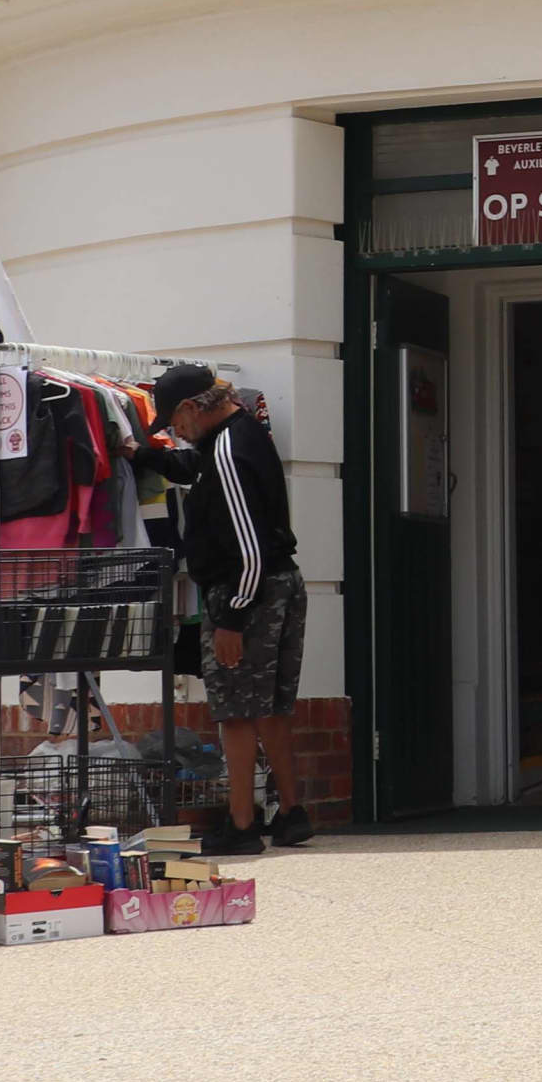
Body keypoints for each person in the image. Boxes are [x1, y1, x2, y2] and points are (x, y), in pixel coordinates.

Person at [150, 364, 312, 854]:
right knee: (273, 709)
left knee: (236, 713)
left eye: (173, 423)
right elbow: (195, 468)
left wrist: (232, 619)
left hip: (246, 591)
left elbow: (248, 546)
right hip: (281, 583)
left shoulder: (226, 452)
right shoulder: (243, 433)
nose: (175, 433)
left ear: (189, 408)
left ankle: (241, 826)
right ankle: (290, 813)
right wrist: (142, 455)